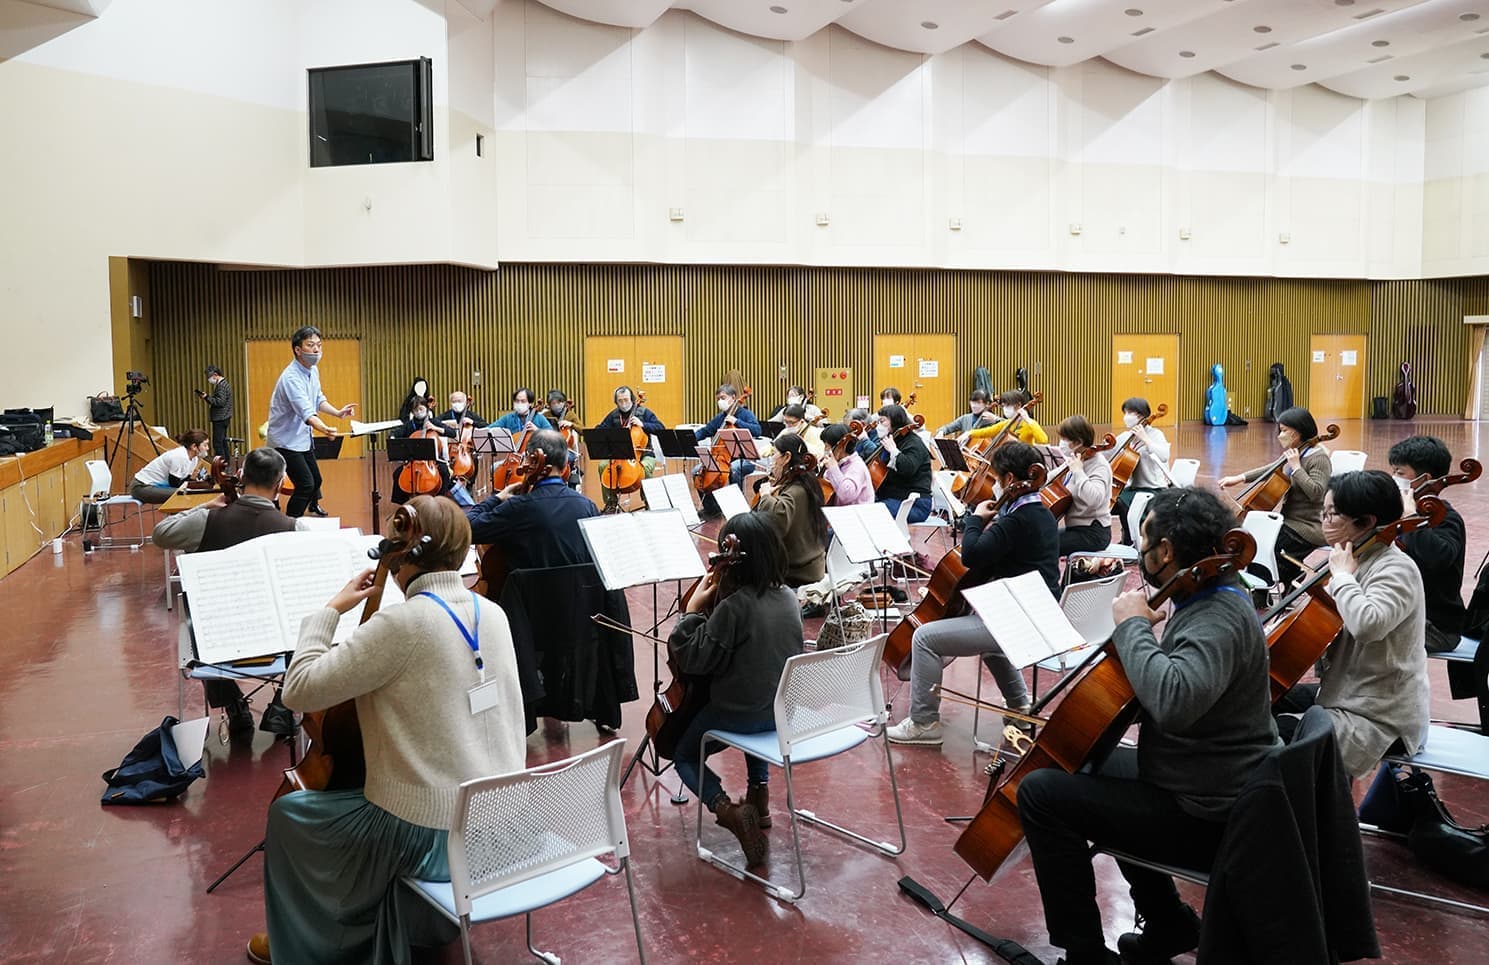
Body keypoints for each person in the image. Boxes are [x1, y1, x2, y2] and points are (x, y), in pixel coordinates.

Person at [247, 495, 526, 965]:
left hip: (430, 833)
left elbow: (298, 690)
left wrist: (329, 611)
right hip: (499, 819)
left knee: (292, 816)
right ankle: (407, 919)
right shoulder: (491, 613)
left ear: (402, 553)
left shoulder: (404, 622)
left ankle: (311, 942)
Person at [1016, 486, 1280, 965]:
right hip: (1202, 781)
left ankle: (1086, 955)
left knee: (1040, 794)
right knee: (1087, 764)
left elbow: (1174, 703)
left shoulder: (1217, 615)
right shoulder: (1210, 594)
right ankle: (1168, 921)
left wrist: (1133, 627)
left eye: (1143, 541)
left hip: (1210, 814)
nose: (1139, 551)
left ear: (1166, 551)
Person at [886, 442, 1060, 746]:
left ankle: (923, 723)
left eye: (996, 478)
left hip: (1019, 621)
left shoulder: (1015, 521)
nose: (994, 485)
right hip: (1039, 615)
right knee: (990, 640)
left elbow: (971, 555)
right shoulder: (1042, 513)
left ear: (1008, 479)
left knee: (924, 638)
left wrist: (976, 520)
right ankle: (1020, 706)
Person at [666, 512, 804, 867]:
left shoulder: (734, 607)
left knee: (683, 754)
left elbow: (694, 659)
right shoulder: (789, 598)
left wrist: (692, 612)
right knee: (758, 701)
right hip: (780, 713)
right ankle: (759, 798)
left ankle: (727, 809)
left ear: (734, 561)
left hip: (738, 714)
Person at [1272, 470, 1429, 781]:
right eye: (1324, 512)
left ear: (1367, 522)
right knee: (1259, 701)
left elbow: (1368, 625)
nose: (1324, 521)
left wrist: (1343, 578)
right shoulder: (1354, 555)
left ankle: (1309, 808)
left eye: (1332, 514)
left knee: (1271, 737)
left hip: (1379, 716)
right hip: (1345, 691)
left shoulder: (1396, 568)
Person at [152, 447, 302, 737]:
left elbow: (161, 533)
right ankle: (282, 705)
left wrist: (204, 507)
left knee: (199, 622)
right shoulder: (293, 528)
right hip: (276, 639)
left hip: (219, 642)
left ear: (242, 478)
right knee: (312, 622)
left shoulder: (208, 521)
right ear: (279, 484)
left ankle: (233, 705)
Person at [1218, 406, 1330, 586]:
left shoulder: (1318, 458)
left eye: (1284, 431)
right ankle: (1275, 582)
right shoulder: (1296, 451)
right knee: (1257, 543)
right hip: (1288, 521)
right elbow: (1271, 469)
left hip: (1306, 527)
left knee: (1263, 552)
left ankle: (1267, 588)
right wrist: (1239, 478)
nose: (1280, 435)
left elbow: (1317, 493)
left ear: (1297, 432)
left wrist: (1297, 468)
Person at [466, 430, 598, 569]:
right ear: (565, 466)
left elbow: (467, 529)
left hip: (527, 584)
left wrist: (497, 498)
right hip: (577, 584)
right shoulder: (588, 507)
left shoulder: (517, 508)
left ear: (530, 460)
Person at [1387, 435, 1467, 654]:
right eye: (1393, 471)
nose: (1393, 478)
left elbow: (1439, 558)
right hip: (1401, 612)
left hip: (1436, 626)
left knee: (1362, 636)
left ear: (1425, 479)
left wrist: (1411, 518)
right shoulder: (1399, 512)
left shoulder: (1446, 518)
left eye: (1400, 473)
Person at [265, 326, 356, 518]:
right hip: (285, 442)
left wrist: (338, 413)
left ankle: (295, 518)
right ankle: (290, 523)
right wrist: (324, 429)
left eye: (319, 345)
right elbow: (306, 412)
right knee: (306, 485)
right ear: (298, 350)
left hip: (301, 440)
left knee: (316, 481)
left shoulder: (313, 370)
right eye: (311, 345)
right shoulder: (291, 378)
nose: (316, 350)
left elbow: (317, 399)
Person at [798, 422, 874, 617]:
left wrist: (832, 468)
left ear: (840, 446)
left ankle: (818, 598)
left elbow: (847, 494)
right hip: (843, 523)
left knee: (814, 543)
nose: (825, 450)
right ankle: (819, 593)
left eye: (827, 446)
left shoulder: (856, 467)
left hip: (855, 527)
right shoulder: (842, 465)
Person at [752, 433, 828, 588]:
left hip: (799, 573)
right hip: (809, 566)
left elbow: (775, 520)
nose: (772, 460)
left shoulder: (798, 490)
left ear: (786, 457)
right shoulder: (807, 482)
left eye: (774, 454)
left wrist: (765, 495)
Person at [1046, 415, 1114, 555]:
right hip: (1076, 529)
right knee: (1038, 540)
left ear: (1078, 442)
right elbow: (1051, 477)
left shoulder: (1099, 465)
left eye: (1064, 439)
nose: (1061, 442)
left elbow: (1095, 499)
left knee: (1044, 547)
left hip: (1093, 533)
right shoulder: (1076, 459)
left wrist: (1078, 472)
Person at [694, 384, 763, 516]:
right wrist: (691, 438)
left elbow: (757, 430)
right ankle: (712, 508)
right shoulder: (720, 417)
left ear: (733, 397)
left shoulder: (745, 414)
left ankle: (736, 509)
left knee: (734, 469)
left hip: (745, 459)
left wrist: (737, 421)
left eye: (723, 398)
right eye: (718, 399)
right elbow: (705, 431)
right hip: (722, 458)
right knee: (696, 471)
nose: (720, 401)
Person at [1112, 397, 1171, 544]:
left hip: (1154, 489)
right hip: (1134, 488)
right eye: (1125, 413)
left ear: (1141, 415)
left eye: (1130, 413)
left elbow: (1164, 456)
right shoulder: (1127, 436)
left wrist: (1145, 439)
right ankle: (1127, 538)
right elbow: (1108, 454)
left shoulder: (1155, 434)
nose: (1126, 417)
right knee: (1113, 501)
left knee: (1123, 502)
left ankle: (1131, 541)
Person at [595, 386, 666, 507]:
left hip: (644, 454)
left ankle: (649, 502)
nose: (623, 403)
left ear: (632, 399)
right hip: (619, 455)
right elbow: (601, 429)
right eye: (620, 401)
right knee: (603, 466)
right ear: (616, 402)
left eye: (626, 400)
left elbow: (661, 428)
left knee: (645, 469)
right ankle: (610, 502)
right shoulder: (613, 415)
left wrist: (643, 424)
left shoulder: (644, 413)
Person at [871, 403, 933, 524]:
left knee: (873, 513)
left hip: (915, 504)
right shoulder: (891, 440)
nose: (878, 426)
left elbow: (908, 469)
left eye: (882, 421)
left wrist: (894, 451)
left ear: (895, 422)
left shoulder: (914, 443)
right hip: (893, 498)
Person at [390, 399, 457, 504]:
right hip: (413, 461)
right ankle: (403, 503)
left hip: (433, 460)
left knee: (444, 472)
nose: (418, 412)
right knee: (397, 474)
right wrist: (392, 437)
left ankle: (440, 500)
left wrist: (435, 428)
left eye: (421, 409)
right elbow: (395, 433)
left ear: (426, 409)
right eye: (415, 410)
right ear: (412, 411)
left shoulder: (433, 422)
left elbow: (452, 433)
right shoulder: (409, 425)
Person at [130, 429, 210, 504]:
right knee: (183, 494)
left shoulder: (194, 459)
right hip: (141, 487)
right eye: (205, 445)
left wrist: (193, 479)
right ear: (194, 447)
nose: (207, 448)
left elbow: (183, 482)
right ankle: (177, 515)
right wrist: (191, 481)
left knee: (191, 491)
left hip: (158, 486)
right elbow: (174, 484)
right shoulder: (180, 456)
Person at [965, 390, 1047, 447]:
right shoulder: (1006, 423)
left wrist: (1027, 419)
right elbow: (986, 432)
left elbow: (1043, 440)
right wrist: (968, 433)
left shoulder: (1029, 424)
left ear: (1018, 405)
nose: (1005, 409)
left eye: (1008, 405)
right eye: (1003, 406)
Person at [196, 365, 233, 461]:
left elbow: (220, 402)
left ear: (216, 375)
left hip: (220, 418)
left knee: (218, 443)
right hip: (224, 417)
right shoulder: (224, 384)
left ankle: (220, 464)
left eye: (209, 377)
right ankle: (226, 462)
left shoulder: (221, 386)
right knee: (223, 442)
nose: (209, 379)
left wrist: (207, 397)